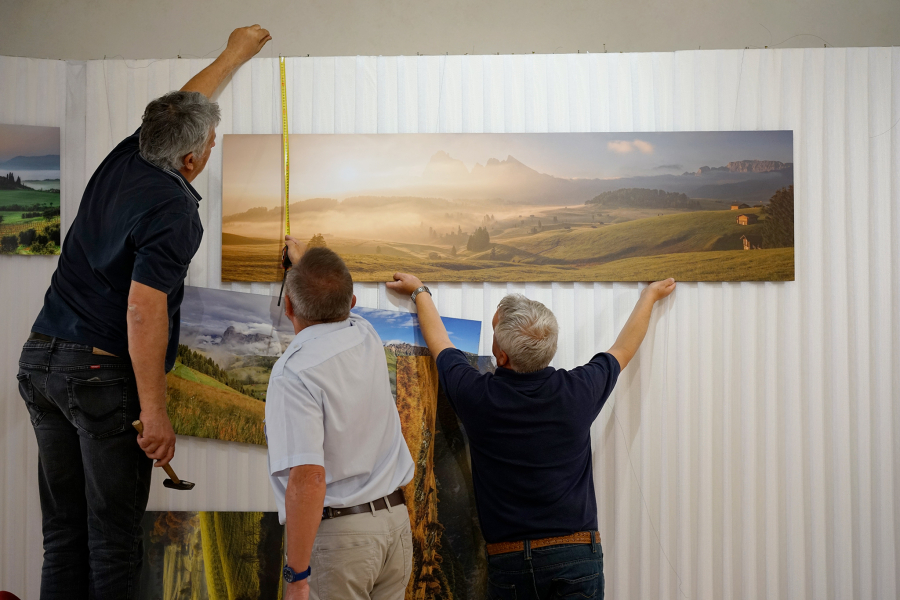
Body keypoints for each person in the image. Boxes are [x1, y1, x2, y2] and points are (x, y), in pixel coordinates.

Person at [16, 26, 272, 600]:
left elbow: (185, 105)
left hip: (41, 361)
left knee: (64, 535)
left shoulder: (131, 153)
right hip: (98, 375)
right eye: (209, 144)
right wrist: (154, 413)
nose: (212, 148)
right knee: (112, 540)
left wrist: (234, 54)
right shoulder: (177, 208)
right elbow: (142, 310)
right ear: (190, 158)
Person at [386, 273, 676, 600]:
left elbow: (440, 343)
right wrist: (649, 297)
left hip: (511, 563)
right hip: (576, 556)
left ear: (502, 355)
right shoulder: (579, 390)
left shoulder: (479, 396)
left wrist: (420, 291)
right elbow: (624, 348)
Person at [266, 245, 415, 600]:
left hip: (342, 541)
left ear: (288, 307)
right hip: (395, 528)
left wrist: (297, 577)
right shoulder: (365, 334)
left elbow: (309, 478)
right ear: (351, 303)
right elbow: (334, 299)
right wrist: (304, 266)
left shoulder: (293, 373)